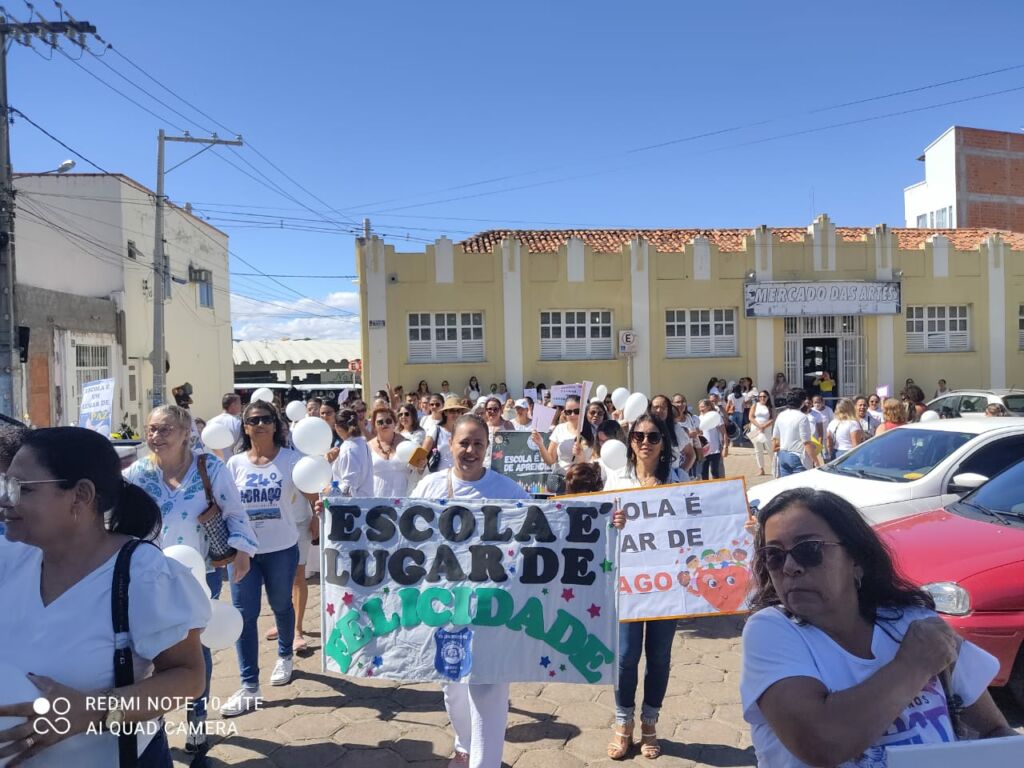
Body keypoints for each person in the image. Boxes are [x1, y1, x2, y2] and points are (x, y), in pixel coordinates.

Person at [741, 488, 1017, 766]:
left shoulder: (912, 623)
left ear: (857, 560)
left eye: (809, 550)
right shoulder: (771, 630)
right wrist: (914, 665)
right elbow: (822, 742)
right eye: (774, 555)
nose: (790, 567)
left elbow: (994, 732)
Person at [0, 427, 210, 765]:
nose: (5, 499)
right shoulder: (9, 559)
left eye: (19, 488)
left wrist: (94, 711)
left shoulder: (142, 574)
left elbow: (188, 676)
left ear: (80, 495)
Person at [124, 404, 258, 754]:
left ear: (186, 433)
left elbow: (234, 512)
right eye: (151, 429)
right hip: (148, 577)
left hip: (199, 573)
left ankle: (197, 721)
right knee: (149, 651)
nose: (156, 436)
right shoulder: (138, 473)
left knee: (194, 648)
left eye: (165, 429)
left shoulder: (210, 468)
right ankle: (153, 724)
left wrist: (242, 551)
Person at [410, 414, 533, 768]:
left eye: (478, 443)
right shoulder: (429, 487)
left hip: (494, 609)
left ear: (487, 448)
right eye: (464, 442)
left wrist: (606, 521)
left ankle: (484, 762)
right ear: (451, 446)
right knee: (453, 687)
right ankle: (464, 743)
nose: (470, 450)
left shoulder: (507, 490)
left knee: (490, 690)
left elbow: (546, 528)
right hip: (444, 606)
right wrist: (334, 513)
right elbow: (397, 534)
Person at [223, 402, 312, 716]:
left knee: (281, 605)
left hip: (282, 549)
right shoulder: (233, 464)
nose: (259, 424)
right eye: (252, 420)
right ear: (244, 428)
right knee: (243, 616)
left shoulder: (292, 460)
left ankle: (285, 655)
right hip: (243, 552)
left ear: (275, 425)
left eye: (265, 419)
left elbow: (314, 491)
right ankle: (249, 685)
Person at [603, 413, 679, 760]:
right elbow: (597, 527)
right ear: (630, 441)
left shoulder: (680, 480)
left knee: (659, 657)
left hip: (668, 583)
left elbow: (705, 520)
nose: (645, 442)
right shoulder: (616, 479)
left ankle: (649, 724)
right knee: (625, 657)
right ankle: (623, 724)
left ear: (664, 443)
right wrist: (611, 521)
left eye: (653, 436)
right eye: (638, 436)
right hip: (628, 583)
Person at [532, 395, 593, 484]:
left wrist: (581, 457)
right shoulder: (560, 429)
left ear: (583, 411)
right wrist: (540, 445)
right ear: (564, 412)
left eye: (577, 411)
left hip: (584, 482)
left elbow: (596, 462)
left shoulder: (593, 431)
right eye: (569, 412)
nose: (573, 415)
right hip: (562, 482)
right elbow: (550, 460)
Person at [368, 405, 419, 496]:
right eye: (380, 422)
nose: (384, 424)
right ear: (374, 426)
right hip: (376, 499)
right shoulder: (367, 447)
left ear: (394, 423)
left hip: (402, 498)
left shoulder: (407, 444)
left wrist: (421, 465)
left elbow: (418, 471)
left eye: (388, 421)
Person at [332, 408, 374, 497]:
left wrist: (329, 490)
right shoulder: (362, 442)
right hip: (365, 502)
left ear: (336, 427)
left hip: (351, 506)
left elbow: (349, 487)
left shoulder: (349, 448)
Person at [771, 389, 814, 477]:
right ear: (802, 402)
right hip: (797, 455)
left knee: (787, 487)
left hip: (783, 454)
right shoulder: (802, 417)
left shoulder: (781, 415)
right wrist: (815, 461)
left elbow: (775, 438)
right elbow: (806, 442)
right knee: (800, 488)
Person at [650, 394, 696, 474]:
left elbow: (691, 455)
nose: (659, 410)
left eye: (663, 407)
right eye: (655, 407)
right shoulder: (642, 429)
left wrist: (679, 474)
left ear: (668, 411)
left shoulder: (676, 429)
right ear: (650, 409)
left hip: (671, 482)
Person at [422, 397, 468, 472]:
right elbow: (422, 453)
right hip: (438, 477)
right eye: (452, 411)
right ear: (445, 413)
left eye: (459, 411)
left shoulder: (464, 432)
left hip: (457, 475)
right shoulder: (436, 429)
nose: (456, 414)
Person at [206, 393, 243, 461]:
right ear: (233, 405)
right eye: (239, 403)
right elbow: (241, 445)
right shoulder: (238, 422)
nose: (241, 405)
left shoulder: (210, 422)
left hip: (214, 464)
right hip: (231, 463)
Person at [698, 398, 727, 479]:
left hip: (715, 450)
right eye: (699, 407)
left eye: (703, 407)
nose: (700, 409)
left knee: (715, 472)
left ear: (709, 407)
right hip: (703, 450)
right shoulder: (698, 418)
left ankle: (717, 489)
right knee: (703, 473)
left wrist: (725, 447)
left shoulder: (715, 417)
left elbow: (724, 433)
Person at [748, 390, 775, 476]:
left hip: (766, 429)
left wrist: (764, 426)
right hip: (755, 429)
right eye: (760, 397)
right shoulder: (755, 405)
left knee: (770, 448)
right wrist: (759, 426)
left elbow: (773, 418)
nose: (762, 398)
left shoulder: (771, 407)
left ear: (767, 397)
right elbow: (751, 417)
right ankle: (761, 469)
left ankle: (775, 467)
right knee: (758, 450)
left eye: (764, 396)